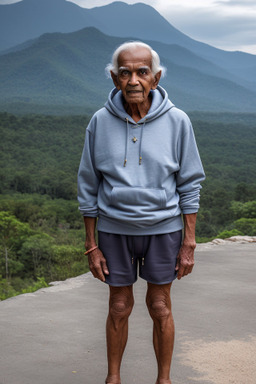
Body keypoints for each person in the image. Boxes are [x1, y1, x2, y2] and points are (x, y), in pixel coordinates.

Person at [77, 41, 205, 384]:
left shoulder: (178, 121)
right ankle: (113, 379)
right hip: (114, 231)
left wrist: (188, 242)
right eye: (125, 72)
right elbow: (88, 185)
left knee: (160, 306)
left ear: (156, 77)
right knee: (118, 306)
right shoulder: (99, 121)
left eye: (142, 72)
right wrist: (91, 245)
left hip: (163, 230)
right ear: (114, 79)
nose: (133, 80)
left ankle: (164, 380)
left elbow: (189, 185)